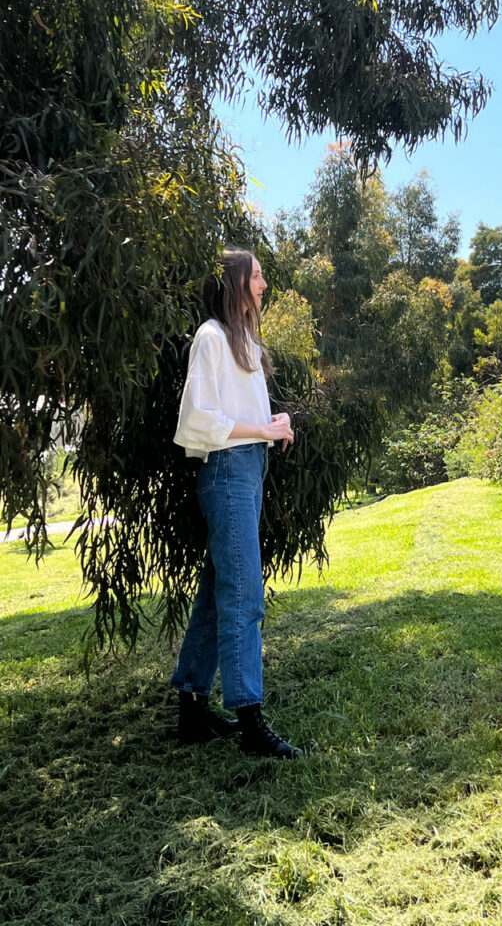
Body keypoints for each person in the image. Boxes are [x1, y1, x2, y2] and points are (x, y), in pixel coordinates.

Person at [170, 245, 301, 757]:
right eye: (258, 276)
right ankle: (251, 722)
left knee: (215, 593)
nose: (264, 285)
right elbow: (199, 422)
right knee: (245, 596)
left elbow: (246, 416)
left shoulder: (243, 338)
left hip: (246, 469)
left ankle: (192, 711)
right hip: (226, 471)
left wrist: (276, 425)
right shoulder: (211, 337)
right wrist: (261, 430)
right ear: (236, 282)